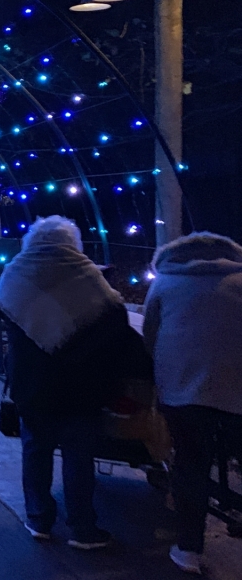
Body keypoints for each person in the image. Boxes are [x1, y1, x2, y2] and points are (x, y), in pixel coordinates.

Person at [0, 215, 145, 551]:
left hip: (31, 384)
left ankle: (39, 519)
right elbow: (115, 321)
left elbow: (3, 312)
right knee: (79, 455)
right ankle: (82, 528)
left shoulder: (15, 272)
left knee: (35, 450)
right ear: (72, 242)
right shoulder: (88, 275)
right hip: (82, 386)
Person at [142, 232, 242, 575]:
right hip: (238, 390)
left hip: (183, 391)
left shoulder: (166, 282)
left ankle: (189, 550)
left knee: (191, 464)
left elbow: (151, 334)